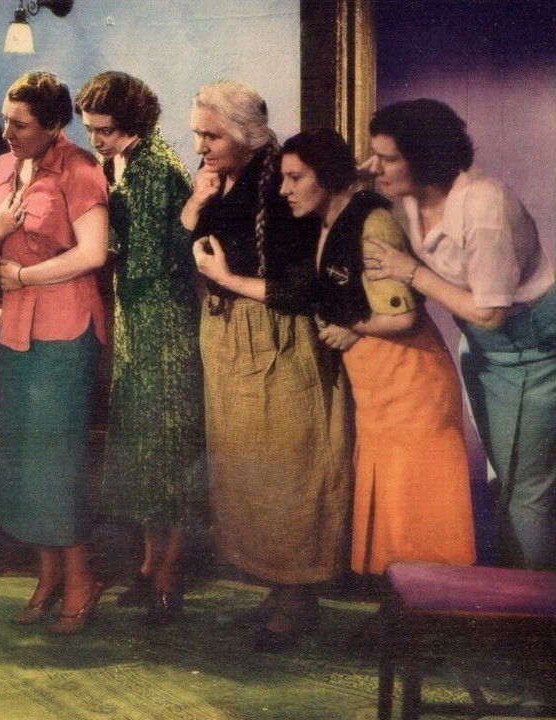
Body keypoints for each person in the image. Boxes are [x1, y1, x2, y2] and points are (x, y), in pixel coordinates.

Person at [185, 82, 351, 650]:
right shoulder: (216, 179)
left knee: (289, 468)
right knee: (247, 472)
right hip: (226, 337)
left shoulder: (282, 185)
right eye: (198, 134)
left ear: (248, 136)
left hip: (277, 340)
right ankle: (277, 590)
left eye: (212, 135)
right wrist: (196, 204)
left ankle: (297, 597)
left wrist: (229, 280)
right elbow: (186, 253)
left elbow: (302, 286)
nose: (201, 146)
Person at [363, 99, 556, 572]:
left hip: (531, 351)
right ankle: (511, 597)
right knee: (503, 480)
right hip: (485, 349)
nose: (374, 167)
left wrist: (410, 272)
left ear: (424, 160)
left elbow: (491, 313)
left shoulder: (485, 209)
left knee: (525, 492)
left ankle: (531, 612)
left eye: (387, 158)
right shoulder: (408, 192)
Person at [280, 128, 475, 574]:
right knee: (394, 497)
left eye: (295, 178)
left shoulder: (372, 223)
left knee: (414, 498)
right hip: (377, 385)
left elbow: (404, 318)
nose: (285, 190)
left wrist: (350, 325)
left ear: (326, 175)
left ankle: (422, 602)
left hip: (411, 382)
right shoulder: (329, 219)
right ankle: (402, 598)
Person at [0, 71, 109, 635]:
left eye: (20, 124)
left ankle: (80, 581)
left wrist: (25, 275)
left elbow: (93, 253)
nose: (8, 132)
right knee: (26, 461)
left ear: (53, 125)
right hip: (17, 329)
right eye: (7, 120)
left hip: (66, 327)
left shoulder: (80, 169)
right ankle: (48, 578)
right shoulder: (2, 168)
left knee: (58, 461)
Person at [75, 71, 205, 625]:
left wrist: (92, 246)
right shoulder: (122, 160)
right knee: (147, 451)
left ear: (131, 124)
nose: (95, 140)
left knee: (168, 451)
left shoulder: (153, 167)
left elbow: (151, 259)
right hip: (137, 316)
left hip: (164, 321)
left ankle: (169, 576)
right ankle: (151, 566)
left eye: (104, 130)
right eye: (90, 129)